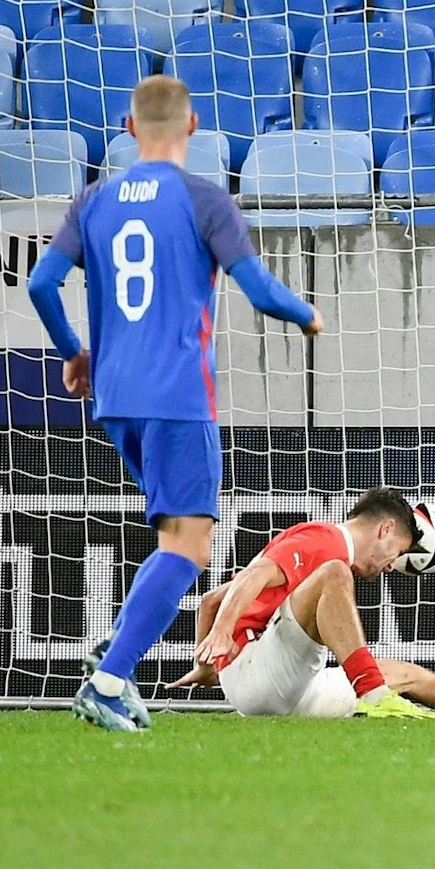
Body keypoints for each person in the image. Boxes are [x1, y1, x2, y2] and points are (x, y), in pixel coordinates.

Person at [27, 76, 323, 733]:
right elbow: (260, 290)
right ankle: (109, 679)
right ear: (192, 126)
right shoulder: (204, 199)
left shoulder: (93, 199)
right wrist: (308, 315)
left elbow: (41, 284)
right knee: (190, 545)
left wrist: (75, 353)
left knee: (174, 538)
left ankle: (116, 650)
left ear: (129, 129)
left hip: (115, 397)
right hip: (179, 394)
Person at [170, 488, 435, 720]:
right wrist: (221, 637)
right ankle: (373, 694)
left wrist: (208, 668)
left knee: (409, 676)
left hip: (283, 691)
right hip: (261, 679)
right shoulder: (325, 540)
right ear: (385, 529)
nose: (390, 566)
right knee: (335, 573)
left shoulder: (325, 548)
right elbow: (253, 576)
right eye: (397, 551)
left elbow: (211, 600)